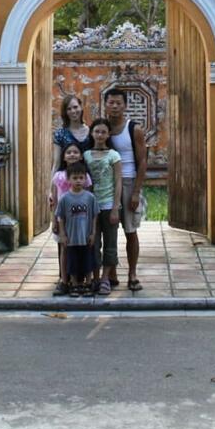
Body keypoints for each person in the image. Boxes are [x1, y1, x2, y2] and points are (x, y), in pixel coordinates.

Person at [104, 88, 147, 291]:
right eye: (111, 102)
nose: (114, 106)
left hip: (128, 182)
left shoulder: (134, 129)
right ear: (105, 105)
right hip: (107, 185)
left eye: (118, 103)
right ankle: (110, 273)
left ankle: (132, 273)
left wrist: (137, 192)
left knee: (130, 231)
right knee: (107, 231)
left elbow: (143, 160)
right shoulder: (101, 129)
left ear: (125, 105)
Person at [83, 118, 122, 296]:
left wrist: (115, 207)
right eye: (97, 131)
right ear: (92, 133)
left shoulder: (114, 155)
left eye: (103, 132)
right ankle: (95, 278)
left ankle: (106, 278)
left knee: (110, 243)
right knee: (93, 243)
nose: (100, 135)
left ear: (108, 135)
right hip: (91, 207)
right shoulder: (86, 155)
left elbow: (118, 181)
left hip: (108, 205)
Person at [49, 141, 91, 296]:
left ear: (81, 156)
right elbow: (54, 198)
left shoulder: (84, 176)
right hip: (63, 219)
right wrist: (54, 220)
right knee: (64, 249)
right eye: (68, 152)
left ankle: (82, 281)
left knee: (82, 249)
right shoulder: (58, 176)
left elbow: (89, 197)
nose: (72, 154)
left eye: (75, 152)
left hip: (80, 218)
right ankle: (64, 281)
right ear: (64, 157)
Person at [54, 161, 98, 297]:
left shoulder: (90, 198)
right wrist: (62, 234)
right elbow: (60, 217)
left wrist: (93, 232)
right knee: (72, 262)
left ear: (85, 179)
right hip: (71, 238)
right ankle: (74, 285)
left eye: (81, 178)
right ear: (68, 179)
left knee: (88, 262)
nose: (78, 181)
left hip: (86, 237)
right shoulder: (64, 199)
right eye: (75, 178)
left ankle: (88, 284)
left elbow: (95, 215)